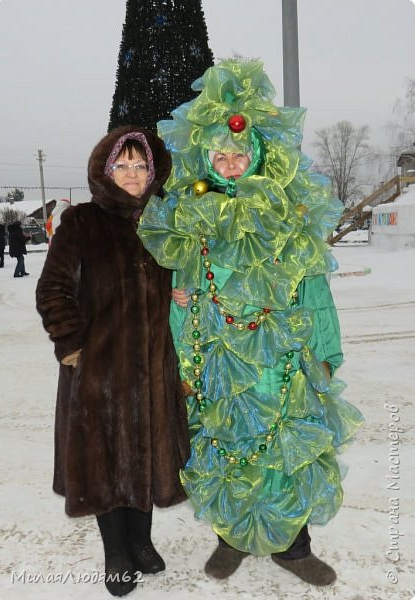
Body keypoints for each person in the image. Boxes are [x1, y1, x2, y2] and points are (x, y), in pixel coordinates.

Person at [138, 60, 364, 587]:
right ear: (208, 158)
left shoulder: (287, 212)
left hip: (282, 356)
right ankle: (231, 539)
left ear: (257, 154)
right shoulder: (192, 215)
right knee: (226, 443)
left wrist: (326, 354)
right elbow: (182, 294)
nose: (231, 162)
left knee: (288, 448)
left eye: (240, 153)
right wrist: (182, 358)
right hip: (218, 354)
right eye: (221, 154)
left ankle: (295, 546)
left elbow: (314, 286)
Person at [36, 125, 190, 597]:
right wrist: (74, 349)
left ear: (153, 171)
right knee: (106, 463)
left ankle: (142, 543)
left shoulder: (165, 224)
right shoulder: (81, 223)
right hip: (99, 373)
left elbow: (178, 279)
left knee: (146, 456)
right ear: (105, 171)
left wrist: (179, 293)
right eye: (121, 165)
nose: (131, 174)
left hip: (155, 366)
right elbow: (53, 291)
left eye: (139, 165)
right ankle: (117, 553)